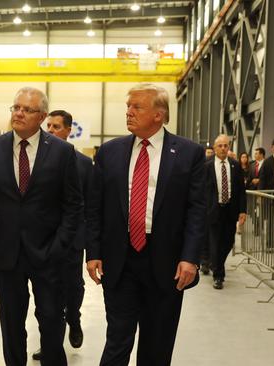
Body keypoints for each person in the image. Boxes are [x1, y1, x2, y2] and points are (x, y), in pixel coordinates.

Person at [86, 83, 206, 365]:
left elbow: (197, 210)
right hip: (120, 259)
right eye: (128, 106)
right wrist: (93, 252)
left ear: (159, 114)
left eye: (137, 107)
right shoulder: (109, 152)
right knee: (117, 338)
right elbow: (95, 208)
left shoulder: (189, 154)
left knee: (157, 344)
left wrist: (190, 258)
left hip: (166, 261)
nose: (128, 112)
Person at [0, 87, 82, 366]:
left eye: (26, 109)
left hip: (48, 253)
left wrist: (60, 246)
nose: (18, 113)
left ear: (42, 116)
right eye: (16, 107)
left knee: (52, 321)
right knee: (11, 324)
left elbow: (73, 205)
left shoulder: (62, 152)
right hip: (6, 254)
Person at [31, 110, 92, 361]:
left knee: (73, 286)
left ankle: (74, 319)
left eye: (57, 126)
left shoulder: (83, 164)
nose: (52, 130)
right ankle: (49, 344)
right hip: (43, 240)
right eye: (49, 126)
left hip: (73, 240)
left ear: (68, 130)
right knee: (45, 295)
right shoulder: (37, 159)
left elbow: (88, 204)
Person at [205, 135, 246, 289]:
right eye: (220, 146)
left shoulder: (235, 166)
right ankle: (218, 275)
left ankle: (214, 263)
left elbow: (241, 190)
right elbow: (202, 189)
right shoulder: (206, 165)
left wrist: (243, 210)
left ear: (229, 147)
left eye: (226, 146)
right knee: (215, 242)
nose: (223, 148)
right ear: (215, 148)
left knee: (229, 242)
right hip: (213, 210)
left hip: (230, 210)